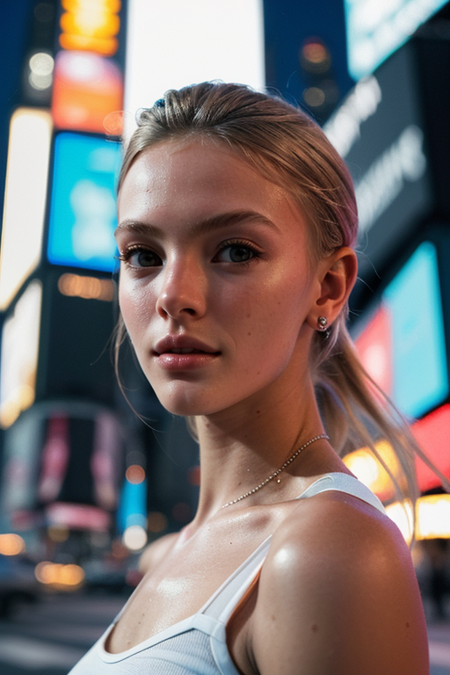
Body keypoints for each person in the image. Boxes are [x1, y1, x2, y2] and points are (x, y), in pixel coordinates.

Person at [69, 82, 430, 674]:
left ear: (328, 286)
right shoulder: (172, 551)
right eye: (143, 255)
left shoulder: (325, 550)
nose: (173, 297)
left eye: (234, 251)